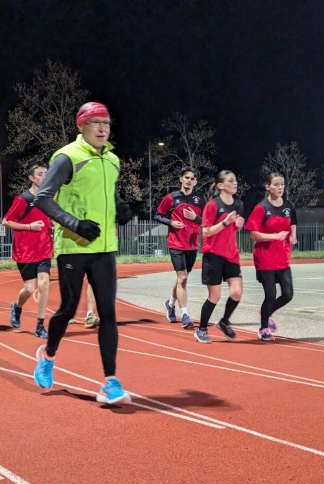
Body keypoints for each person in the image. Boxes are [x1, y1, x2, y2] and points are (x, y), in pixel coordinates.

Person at [32, 101, 132, 405]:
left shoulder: (112, 160)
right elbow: (43, 199)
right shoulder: (66, 157)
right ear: (81, 125)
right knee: (69, 308)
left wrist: (121, 206)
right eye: (96, 122)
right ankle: (48, 356)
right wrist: (74, 223)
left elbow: (107, 190)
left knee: (108, 312)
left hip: (105, 247)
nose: (103, 128)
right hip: (74, 246)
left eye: (107, 123)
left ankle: (110, 381)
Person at [2, 163, 52, 339]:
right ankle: (17, 307)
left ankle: (40, 326)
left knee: (44, 284)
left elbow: (49, 219)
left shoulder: (48, 198)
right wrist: (29, 226)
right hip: (25, 251)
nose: (44, 176)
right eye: (40, 174)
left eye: (46, 173)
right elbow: (6, 222)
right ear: (32, 178)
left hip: (44, 248)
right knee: (30, 289)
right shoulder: (22, 199)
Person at [245, 172, 297, 340]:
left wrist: (293, 235)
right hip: (265, 257)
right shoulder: (262, 208)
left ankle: (267, 310)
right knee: (270, 295)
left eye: (282, 184)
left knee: (288, 294)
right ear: (268, 187)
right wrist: (274, 237)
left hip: (283, 257)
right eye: (276, 184)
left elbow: (293, 222)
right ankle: (263, 328)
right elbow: (253, 234)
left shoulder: (288, 206)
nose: (280, 187)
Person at [194, 170, 244, 344]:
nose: (235, 183)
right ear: (221, 185)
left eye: (235, 180)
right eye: (231, 180)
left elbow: (233, 228)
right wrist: (225, 222)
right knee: (214, 296)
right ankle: (201, 329)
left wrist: (238, 225)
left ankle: (224, 321)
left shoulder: (238, 204)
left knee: (236, 293)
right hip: (213, 255)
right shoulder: (212, 205)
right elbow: (206, 232)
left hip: (231, 255)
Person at [155, 167, 206, 328]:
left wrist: (195, 218)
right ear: (181, 179)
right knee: (182, 278)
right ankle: (185, 315)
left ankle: (170, 304)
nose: (189, 180)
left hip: (192, 244)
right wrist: (170, 222)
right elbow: (157, 215)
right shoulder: (171, 198)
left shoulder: (200, 199)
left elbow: (207, 220)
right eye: (187, 177)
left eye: (192, 178)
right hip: (175, 243)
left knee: (181, 278)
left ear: (196, 182)